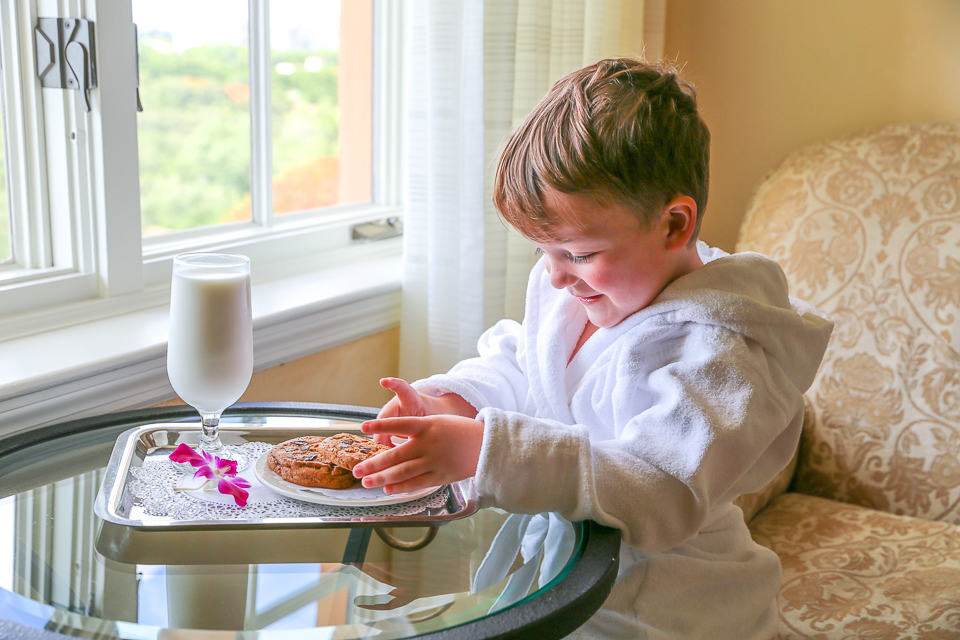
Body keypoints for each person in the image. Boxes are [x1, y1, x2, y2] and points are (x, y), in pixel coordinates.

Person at [351, 57, 833, 639]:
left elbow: (661, 487)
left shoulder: (721, 351)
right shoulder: (583, 292)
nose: (556, 277)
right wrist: (454, 402)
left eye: (578, 254)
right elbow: (524, 365)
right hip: (563, 587)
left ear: (674, 224)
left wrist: (489, 451)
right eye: (542, 251)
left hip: (666, 612)